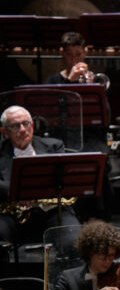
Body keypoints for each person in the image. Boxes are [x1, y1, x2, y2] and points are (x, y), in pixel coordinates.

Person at [0, 105, 75, 244]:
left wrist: (35, 192)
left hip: (50, 211)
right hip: (9, 214)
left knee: (73, 240)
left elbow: (61, 178)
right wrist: (17, 192)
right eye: (15, 126)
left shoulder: (54, 146)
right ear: (4, 132)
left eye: (25, 124)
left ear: (32, 125)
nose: (22, 130)